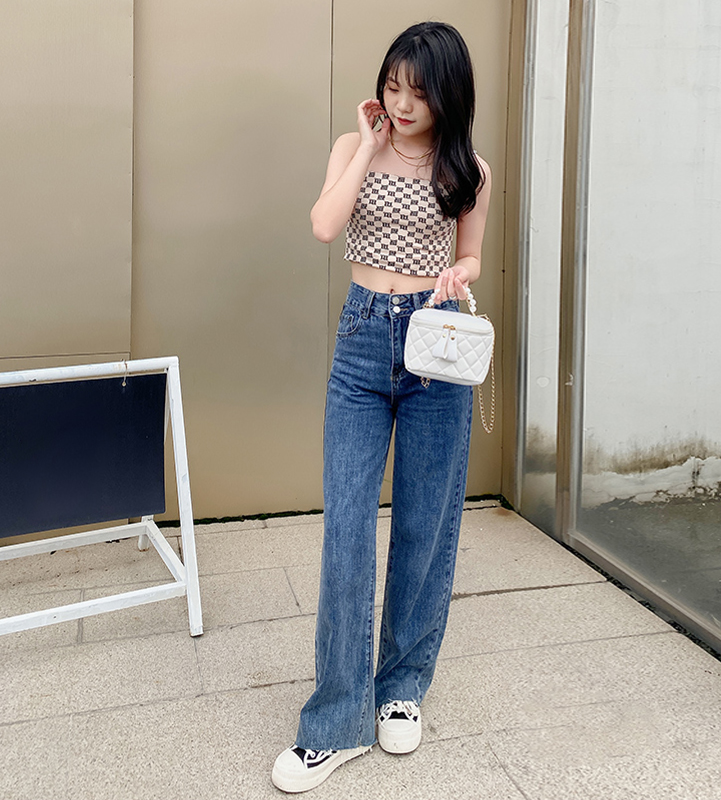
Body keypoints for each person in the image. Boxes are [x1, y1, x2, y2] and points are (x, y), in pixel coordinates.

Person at [271, 21, 491, 794]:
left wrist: (458, 274)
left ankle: (400, 688)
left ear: (447, 95)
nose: (401, 103)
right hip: (362, 342)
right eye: (393, 86)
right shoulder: (352, 146)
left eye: (418, 91)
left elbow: (471, 252)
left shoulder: (468, 168)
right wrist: (367, 146)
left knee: (427, 522)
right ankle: (336, 721)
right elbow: (324, 225)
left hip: (435, 345)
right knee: (347, 525)